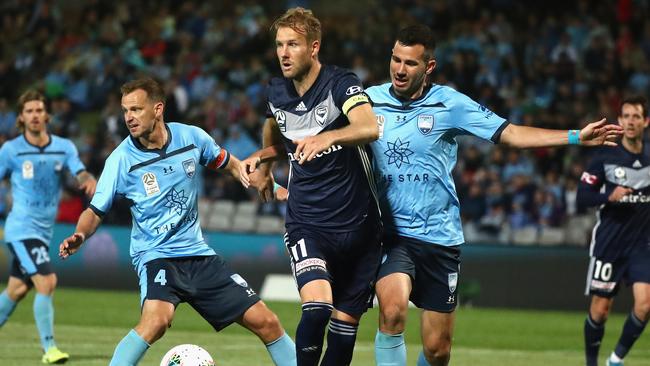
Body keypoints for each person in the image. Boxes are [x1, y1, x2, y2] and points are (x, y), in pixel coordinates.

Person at [363, 25, 623, 366]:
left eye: (410, 63)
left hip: (440, 237)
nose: (399, 69)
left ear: (428, 67)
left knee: (438, 350)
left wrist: (576, 137)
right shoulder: (368, 101)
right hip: (393, 236)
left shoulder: (451, 104)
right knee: (392, 311)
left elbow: (510, 134)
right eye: (395, 59)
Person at [58, 78, 296, 366]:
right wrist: (80, 235)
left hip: (198, 255)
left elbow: (229, 162)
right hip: (156, 256)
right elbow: (95, 211)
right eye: (125, 111)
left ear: (157, 109)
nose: (129, 118)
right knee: (156, 321)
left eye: (136, 109)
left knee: (267, 322)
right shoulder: (121, 160)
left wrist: (254, 178)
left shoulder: (191, 138)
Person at [240, 7, 382, 366]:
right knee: (317, 307)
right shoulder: (276, 90)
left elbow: (368, 127)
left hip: (360, 227)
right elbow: (276, 127)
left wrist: (328, 137)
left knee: (343, 328)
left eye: (293, 44)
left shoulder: (340, 83)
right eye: (279, 45)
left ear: (314, 47)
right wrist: (268, 166)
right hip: (308, 223)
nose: (283, 54)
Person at [0, 90, 97, 364]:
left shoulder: (64, 147)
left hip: (42, 233)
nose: (34, 116)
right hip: (21, 228)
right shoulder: (11, 150)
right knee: (47, 282)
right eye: (29, 111)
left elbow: (80, 171)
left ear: (47, 115)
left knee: (17, 290)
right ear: (21, 117)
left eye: (39, 110)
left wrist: (88, 179)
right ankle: (49, 349)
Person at [577, 95, 650, 366]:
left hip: (642, 244)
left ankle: (615, 360)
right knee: (600, 310)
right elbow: (581, 198)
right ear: (619, 121)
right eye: (626, 116)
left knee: (645, 305)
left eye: (636, 117)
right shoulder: (605, 157)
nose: (631, 122)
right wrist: (609, 194)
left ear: (645, 121)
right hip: (609, 242)